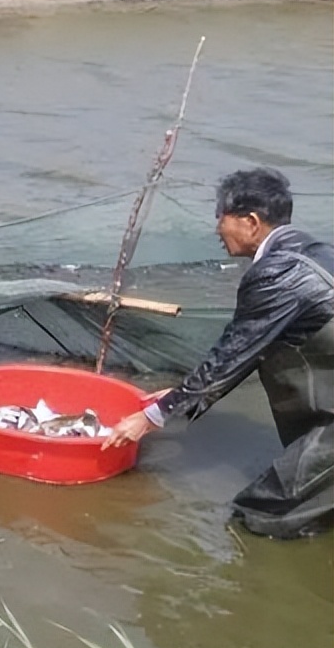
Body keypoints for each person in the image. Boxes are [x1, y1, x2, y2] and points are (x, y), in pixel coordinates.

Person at [102, 167, 333, 540]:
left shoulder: (279, 274)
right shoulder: (315, 252)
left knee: (260, 514)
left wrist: (150, 418)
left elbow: (232, 355)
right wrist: (180, 396)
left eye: (220, 217)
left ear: (250, 222)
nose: (216, 229)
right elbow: (248, 350)